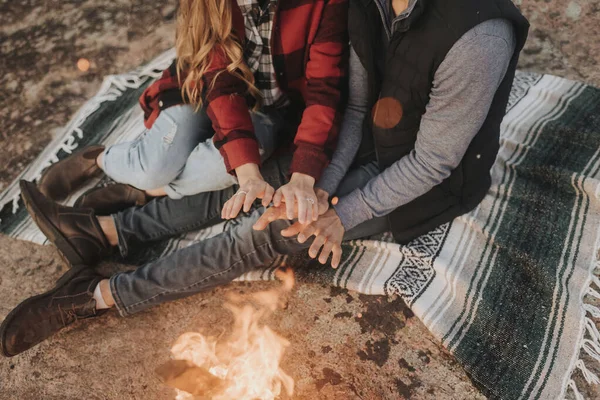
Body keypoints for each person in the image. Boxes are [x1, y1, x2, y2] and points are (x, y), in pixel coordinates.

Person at [1, 0, 529, 358]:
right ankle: (110, 234)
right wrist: (313, 184)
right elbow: (357, 105)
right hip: (369, 139)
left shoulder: (477, 34)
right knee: (271, 182)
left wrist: (334, 215)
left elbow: (431, 164)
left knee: (267, 234)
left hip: (423, 182)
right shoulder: (368, 3)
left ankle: (100, 295)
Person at [37, 0, 348, 226]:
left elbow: (324, 90)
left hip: (272, 110)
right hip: (200, 87)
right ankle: (100, 160)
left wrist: (300, 177)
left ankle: (146, 191)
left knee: (220, 169)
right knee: (153, 166)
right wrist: (248, 171)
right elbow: (220, 85)